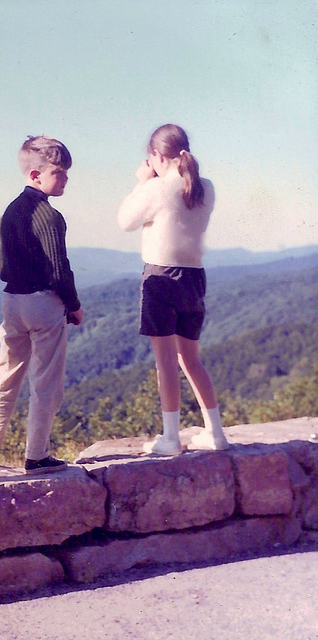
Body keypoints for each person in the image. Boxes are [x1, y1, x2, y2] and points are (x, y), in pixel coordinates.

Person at [0, 135, 83, 474]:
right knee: (46, 382)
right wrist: (74, 305)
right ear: (36, 174)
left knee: (5, 375)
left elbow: (2, 266)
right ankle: (37, 455)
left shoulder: (10, 212)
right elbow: (59, 269)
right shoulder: (49, 217)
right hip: (43, 303)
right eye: (59, 173)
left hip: (12, 300)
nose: (65, 179)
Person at [117, 123, 229, 455]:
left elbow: (125, 221)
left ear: (155, 156)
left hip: (161, 277)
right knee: (191, 359)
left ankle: (170, 438)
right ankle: (216, 433)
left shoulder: (157, 189)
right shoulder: (205, 188)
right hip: (194, 277)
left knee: (166, 361)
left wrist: (140, 183)